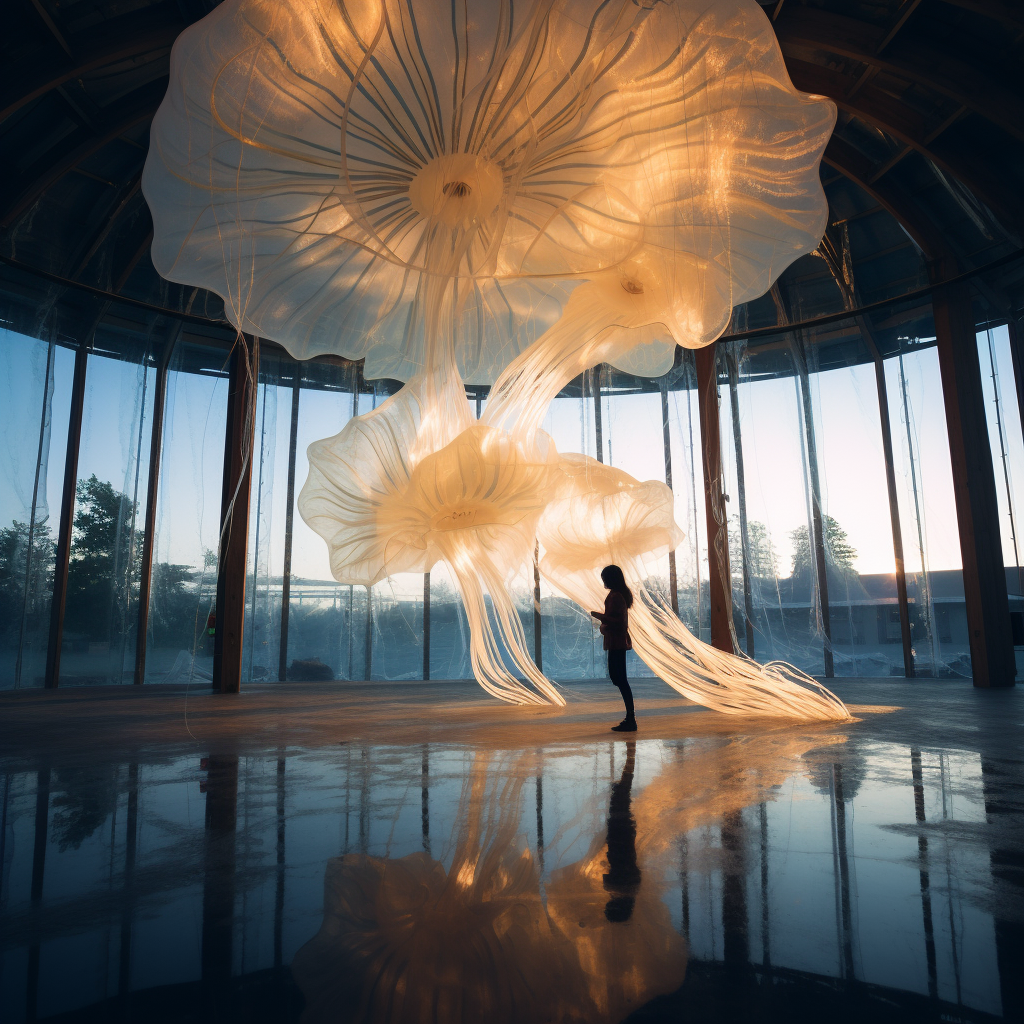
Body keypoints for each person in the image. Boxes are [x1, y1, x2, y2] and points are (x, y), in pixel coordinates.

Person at [591, 564, 636, 732]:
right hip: (616, 642)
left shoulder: (615, 596)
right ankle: (630, 718)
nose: (603, 581)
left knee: (619, 679)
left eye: (605, 578)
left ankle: (631, 718)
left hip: (616, 642)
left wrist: (600, 618)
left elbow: (617, 622)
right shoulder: (616, 595)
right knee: (618, 678)